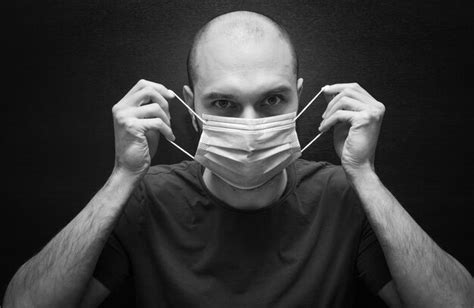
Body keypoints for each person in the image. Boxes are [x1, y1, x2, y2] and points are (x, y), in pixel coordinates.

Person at [3, 10, 473, 308]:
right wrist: (122, 176)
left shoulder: (342, 195)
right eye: (224, 103)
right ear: (189, 105)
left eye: (272, 100)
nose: (250, 126)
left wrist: (365, 175)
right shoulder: (147, 197)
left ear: (301, 99)